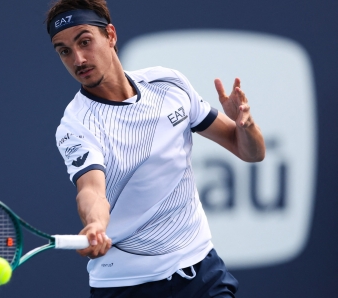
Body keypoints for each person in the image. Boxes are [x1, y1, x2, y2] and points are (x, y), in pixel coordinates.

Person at [46, 1, 265, 297]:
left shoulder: (168, 83)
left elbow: (251, 152)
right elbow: (91, 190)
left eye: (85, 42)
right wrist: (96, 224)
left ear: (110, 35)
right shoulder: (76, 125)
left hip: (201, 270)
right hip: (127, 285)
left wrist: (245, 126)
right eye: (65, 51)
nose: (79, 59)